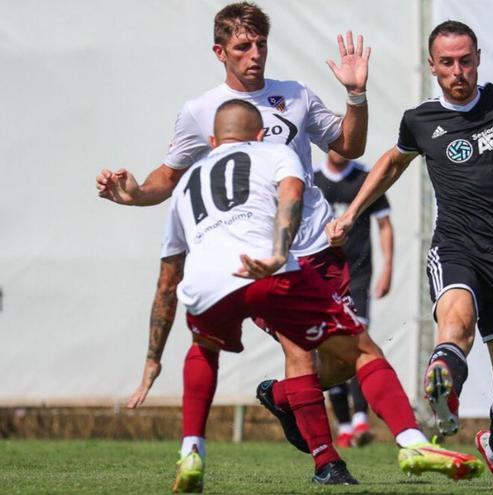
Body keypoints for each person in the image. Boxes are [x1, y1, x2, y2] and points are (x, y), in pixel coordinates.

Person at [127, 100, 484, 491]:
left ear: (212, 141)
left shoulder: (187, 182)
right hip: (270, 270)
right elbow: (292, 197)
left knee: (204, 348)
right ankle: (410, 442)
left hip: (206, 284)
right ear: (261, 134)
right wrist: (280, 252)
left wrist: (151, 360)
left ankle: (192, 451)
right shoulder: (276, 152)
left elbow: (167, 281)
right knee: (362, 351)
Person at [94, 1, 364, 460]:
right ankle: (327, 461)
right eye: (243, 46)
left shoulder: (295, 94)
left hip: (318, 245)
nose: (255, 54)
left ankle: (283, 396)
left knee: (342, 361)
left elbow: (350, 144)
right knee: (300, 347)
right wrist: (136, 192)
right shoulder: (202, 111)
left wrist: (356, 96)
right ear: (219, 52)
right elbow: (170, 175)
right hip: (257, 256)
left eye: (261, 44)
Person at [325, 20, 493, 487]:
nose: (458, 71)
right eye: (447, 63)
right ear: (432, 66)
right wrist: (352, 213)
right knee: (455, 326)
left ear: (478, 58)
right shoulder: (420, 120)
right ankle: (443, 380)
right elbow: (391, 163)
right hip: (458, 249)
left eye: (465, 61)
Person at [315, 149, 394, 448]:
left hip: (357, 276)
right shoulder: (314, 179)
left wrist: (387, 269)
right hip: (323, 276)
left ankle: (361, 419)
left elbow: (384, 225)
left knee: (357, 341)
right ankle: (344, 425)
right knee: (327, 348)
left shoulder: (364, 178)